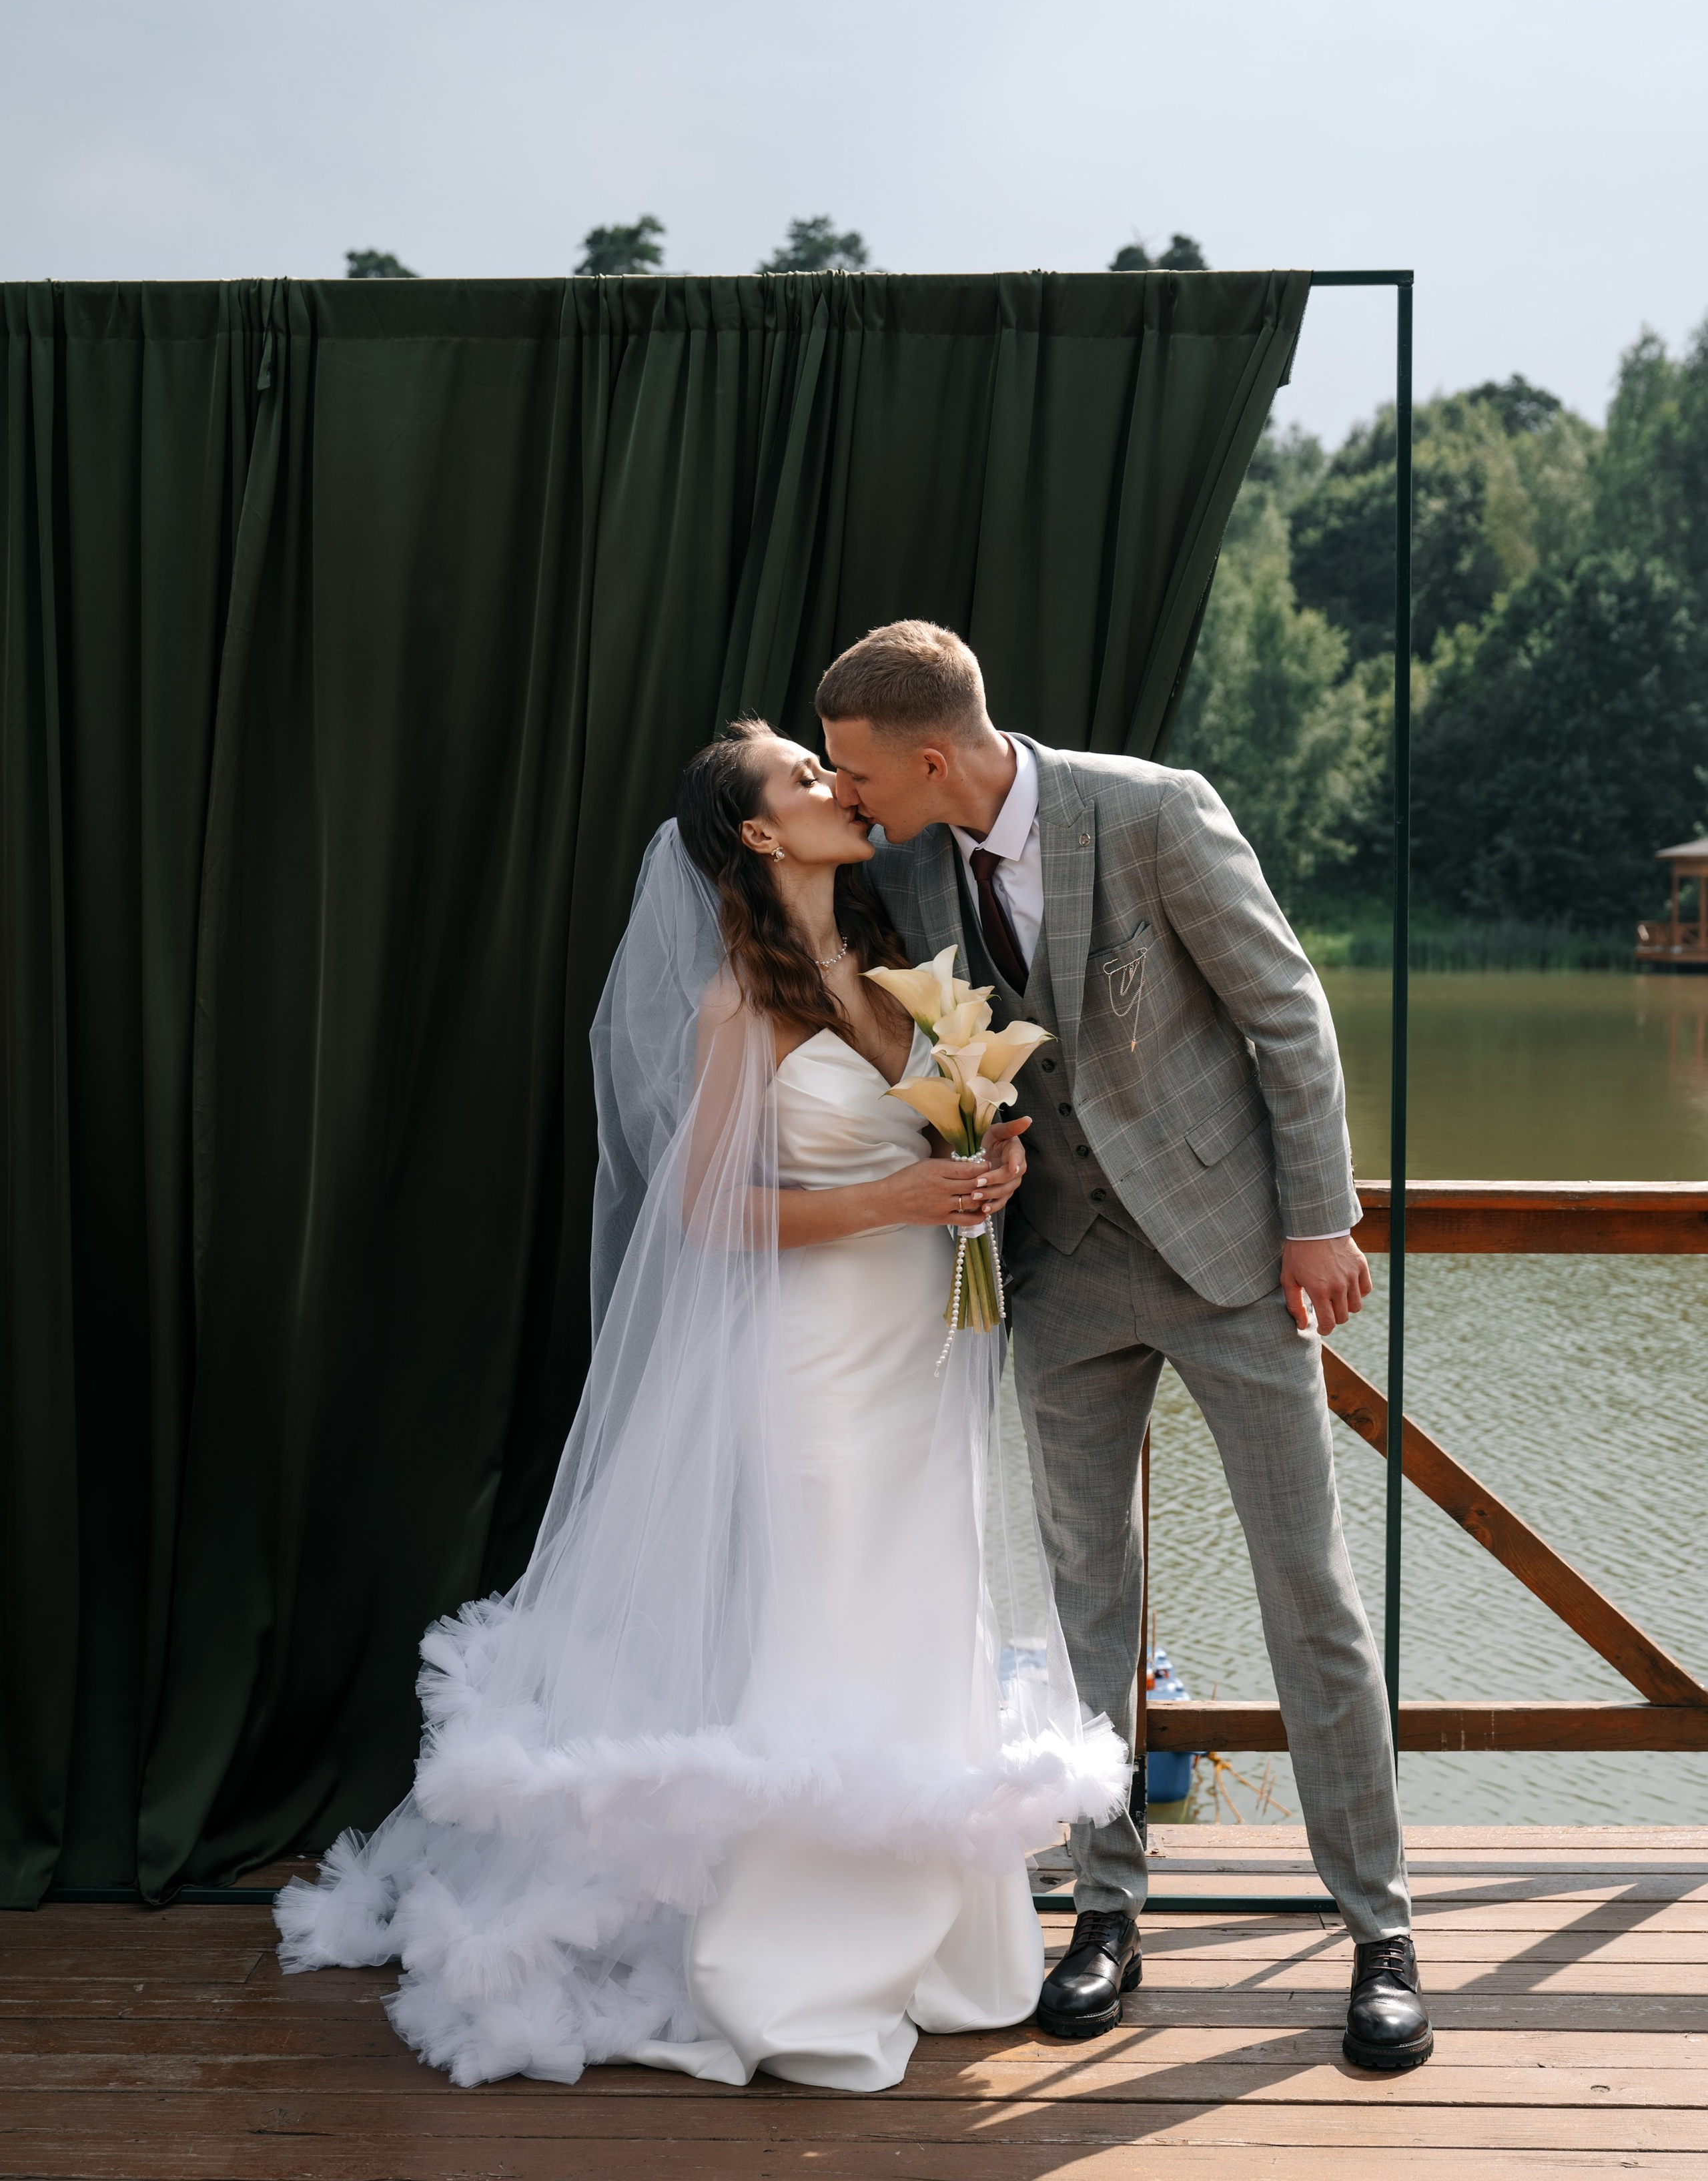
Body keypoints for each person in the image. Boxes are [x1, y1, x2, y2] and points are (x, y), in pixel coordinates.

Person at [276, 719, 1126, 2093]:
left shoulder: (898, 981)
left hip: (919, 1349)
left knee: (914, 1617)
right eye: (803, 778)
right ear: (752, 833)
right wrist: (898, 1195)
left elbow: (945, 1144)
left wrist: (983, 1168)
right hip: (810, 1363)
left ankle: (935, 1946)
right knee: (822, 1626)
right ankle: (787, 1959)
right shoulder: (740, 1004)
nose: (834, 789)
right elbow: (704, 1212)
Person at [817, 619, 1433, 2073]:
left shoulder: (1153, 808)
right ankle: (1106, 1910)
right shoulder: (906, 866)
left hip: (1229, 1261)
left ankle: (1382, 1928)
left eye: (854, 772)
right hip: (1062, 1271)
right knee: (1090, 1604)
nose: (848, 797)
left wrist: (1318, 1221)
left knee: (1311, 1595)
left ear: (925, 754)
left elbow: (1285, 1014)